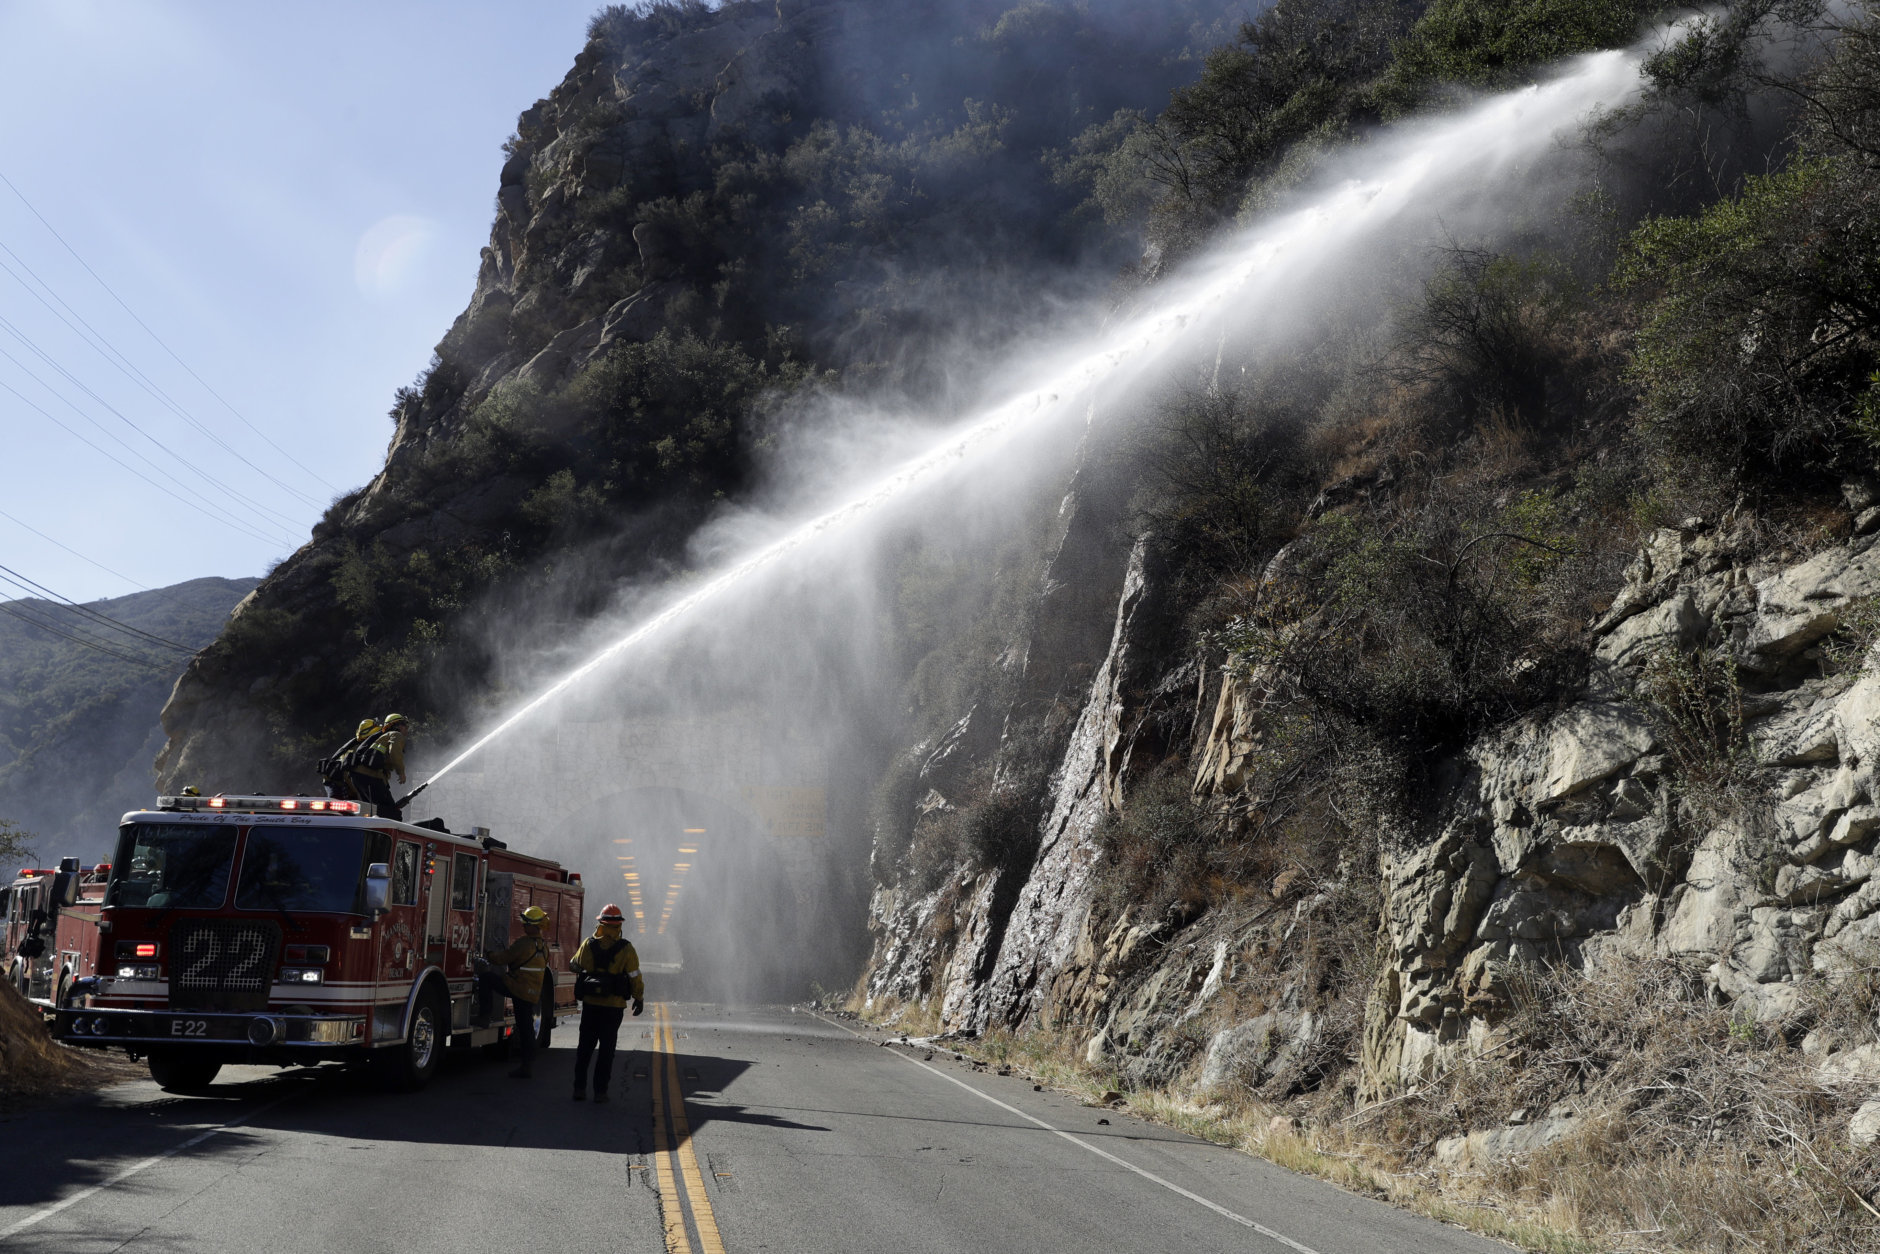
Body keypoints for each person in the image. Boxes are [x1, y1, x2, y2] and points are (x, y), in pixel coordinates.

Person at [569, 902, 644, 1103]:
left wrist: (590, 970)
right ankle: (600, 1092)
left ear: (600, 924)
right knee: (606, 1050)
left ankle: (579, 1089)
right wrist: (639, 997)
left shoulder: (588, 944)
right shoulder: (627, 949)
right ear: (619, 925)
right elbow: (635, 976)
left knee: (585, 1048)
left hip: (591, 1005)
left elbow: (574, 965)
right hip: (613, 1007)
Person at [476, 904, 550, 1079]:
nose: (523, 926)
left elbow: (502, 958)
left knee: (486, 978)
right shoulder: (543, 946)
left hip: (517, 988)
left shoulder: (524, 944)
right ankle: (527, 1065)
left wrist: (488, 954)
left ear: (533, 925)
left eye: (526, 923)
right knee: (526, 1029)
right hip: (532, 993)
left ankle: (484, 1016)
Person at [349, 714, 410, 820]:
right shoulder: (396, 734)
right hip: (370, 777)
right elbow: (395, 753)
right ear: (398, 725)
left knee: (371, 811)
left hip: (358, 777)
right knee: (392, 813)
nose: (407, 729)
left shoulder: (381, 737)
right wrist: (401, 772)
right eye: (405, 725)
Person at [319, 719, 377, 800]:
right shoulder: (360, 749)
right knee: (340, 804)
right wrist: (359, 795)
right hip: (336, 781)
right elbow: (348, 774)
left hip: (337, 778)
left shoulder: (355, 743)